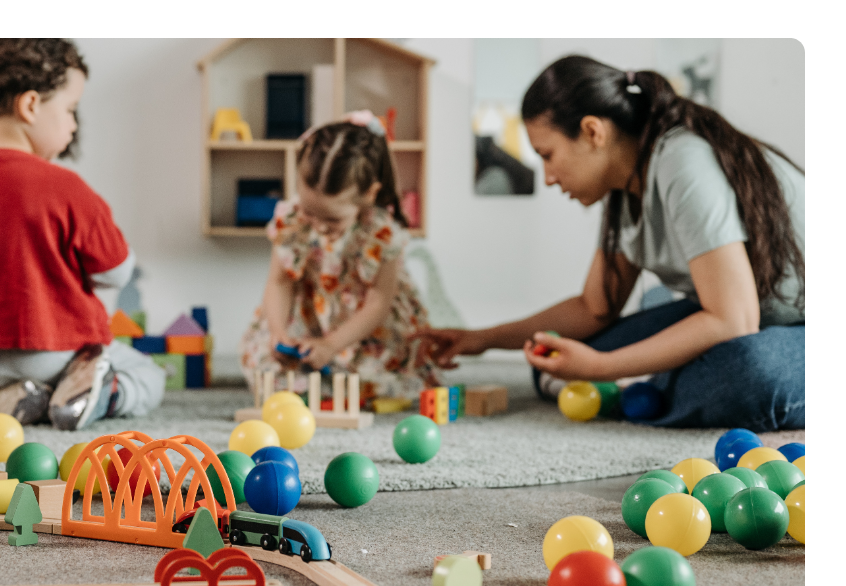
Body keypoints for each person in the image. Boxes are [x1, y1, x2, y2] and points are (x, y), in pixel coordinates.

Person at [422, 55, 804, 431]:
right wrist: (481, 339)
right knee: (552, 359)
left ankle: (636, 387)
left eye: (547, 155)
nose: (549, 177)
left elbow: (733, 319)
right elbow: (593, 309)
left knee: (748, 371)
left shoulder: (683, 162)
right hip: (753, 319)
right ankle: (651, 388)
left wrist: (599, 368)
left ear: (592, 132)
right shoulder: (625, 188)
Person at [0, 38, 164, 430]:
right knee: (149, 377)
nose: (72, 125)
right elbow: (116, 271)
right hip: (54, 353)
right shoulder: (65, 187)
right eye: (69, 110)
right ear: (30, 105)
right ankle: (95, 394)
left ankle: (8, 397)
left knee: (0, 377)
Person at [239, 112, 439, 400]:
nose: (318, 225)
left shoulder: (382, 233)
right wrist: (278, 332)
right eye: (310, 211)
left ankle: (332, 381)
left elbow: (379, 302)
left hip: (362, 330)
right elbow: (279, 282)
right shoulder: (292, 220)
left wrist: (332, 345)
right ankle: (316, 382)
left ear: (369, 194)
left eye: (331, 220)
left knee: (381, 379)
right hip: (306, 321)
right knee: (265, 369)